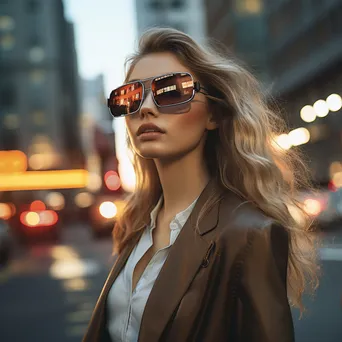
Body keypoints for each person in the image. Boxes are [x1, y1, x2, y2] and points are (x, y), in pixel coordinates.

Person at [83, 28, 319, 342]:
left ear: (213, 115)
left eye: (170, 91)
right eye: (131, 96)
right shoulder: (136, 227)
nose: (146, 108)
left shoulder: (249, 234)